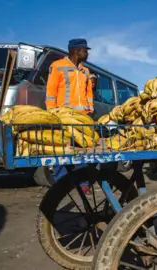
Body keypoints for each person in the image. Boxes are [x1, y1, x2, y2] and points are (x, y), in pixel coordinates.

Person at [46, 38, 94, 194]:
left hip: (82, 117)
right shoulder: (57, 66)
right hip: (63, 116)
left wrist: (89, 111)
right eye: (85, 50)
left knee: (83, 150)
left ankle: (83, 181)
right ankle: (61, 181)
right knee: (64, 149)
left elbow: (89, 93)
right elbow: (51, 92)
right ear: (76, 51)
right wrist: (52, 113)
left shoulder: (85, 71)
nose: (87, 54)